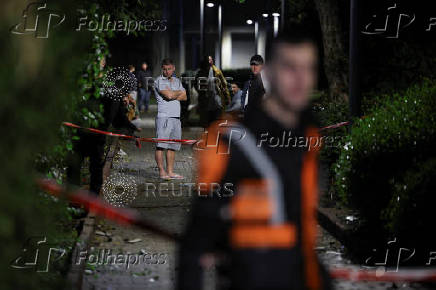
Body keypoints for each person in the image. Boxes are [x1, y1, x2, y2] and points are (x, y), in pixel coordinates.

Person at [177, 28, 332, 290]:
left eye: (308, 68)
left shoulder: (308, 139)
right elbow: (193, 248)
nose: (300, 78)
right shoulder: (228, 143)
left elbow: (301, 235)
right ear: (268, 72)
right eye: (290, 67)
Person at [153, 58, 187, 180]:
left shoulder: (177, 81)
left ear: (173, 68)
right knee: (161, 146)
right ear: (162, 69)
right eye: (164, 69)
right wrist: (177, 93)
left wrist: (174, 93)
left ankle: (170, 172)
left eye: (169, 69)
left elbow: (185, 97)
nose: (167, 71)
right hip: (164, 117)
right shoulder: (159, 81)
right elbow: (169, 95)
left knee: (173, 146)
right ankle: (162, 172)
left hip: (176, 117)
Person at [196, 55, 231, 126]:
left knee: (216, 122)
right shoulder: (200, 73)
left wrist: (227, 98)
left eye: (211, 60)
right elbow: (196, 85)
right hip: (206, 102)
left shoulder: (217, 71)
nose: (210, 61)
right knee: (206, 123)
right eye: (208, 60)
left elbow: (224, 85)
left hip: (216, 102)